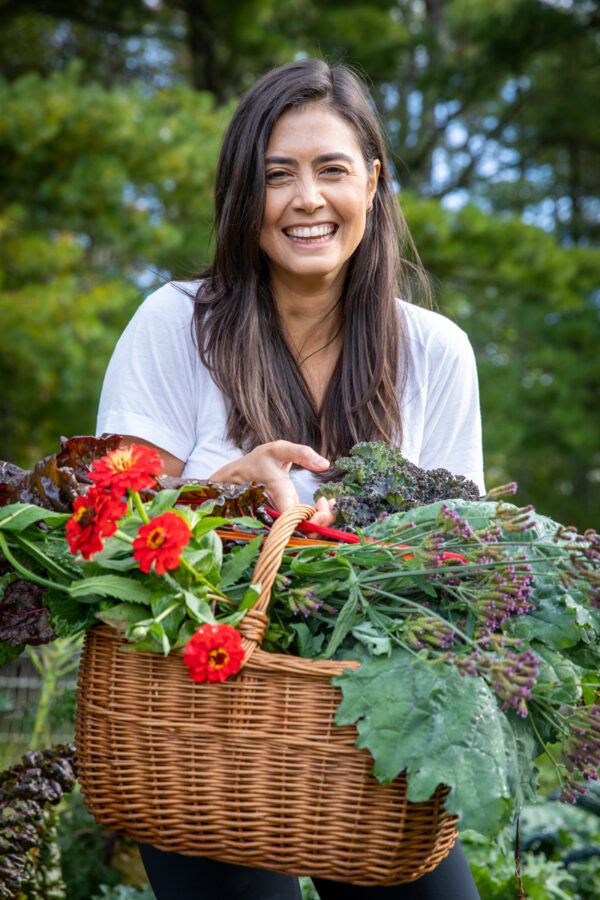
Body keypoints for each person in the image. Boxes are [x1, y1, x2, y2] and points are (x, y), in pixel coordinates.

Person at [97, 58, 483, 900]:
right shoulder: (175, 326)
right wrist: (225, 492)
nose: (306, 199)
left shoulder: (435, 352)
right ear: (245, 194)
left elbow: (463, 559)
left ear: (374, 183)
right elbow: (105, 534)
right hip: (204, 725)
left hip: (379, 731)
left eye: (332, 170)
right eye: (278, 176)